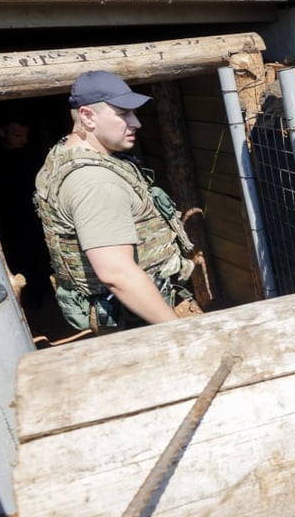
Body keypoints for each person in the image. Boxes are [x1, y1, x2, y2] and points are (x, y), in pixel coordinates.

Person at [34, 71, 195, 332]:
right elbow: (117, 273)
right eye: (123, 114)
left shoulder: (65, 154)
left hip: (131, 312)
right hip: (135, 319)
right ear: (87, 116)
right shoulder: (95, 182)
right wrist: (176, 330)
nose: (136, 123)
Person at [0, 119, 53, 310]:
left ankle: (41, 301)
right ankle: (24, 306)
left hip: (34, 217)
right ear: (2, 133)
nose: (24, 141)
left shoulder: (32, 156)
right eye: (18, 135)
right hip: (6, 220)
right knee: (16, 261)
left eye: (26, 136)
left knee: (40, 259)